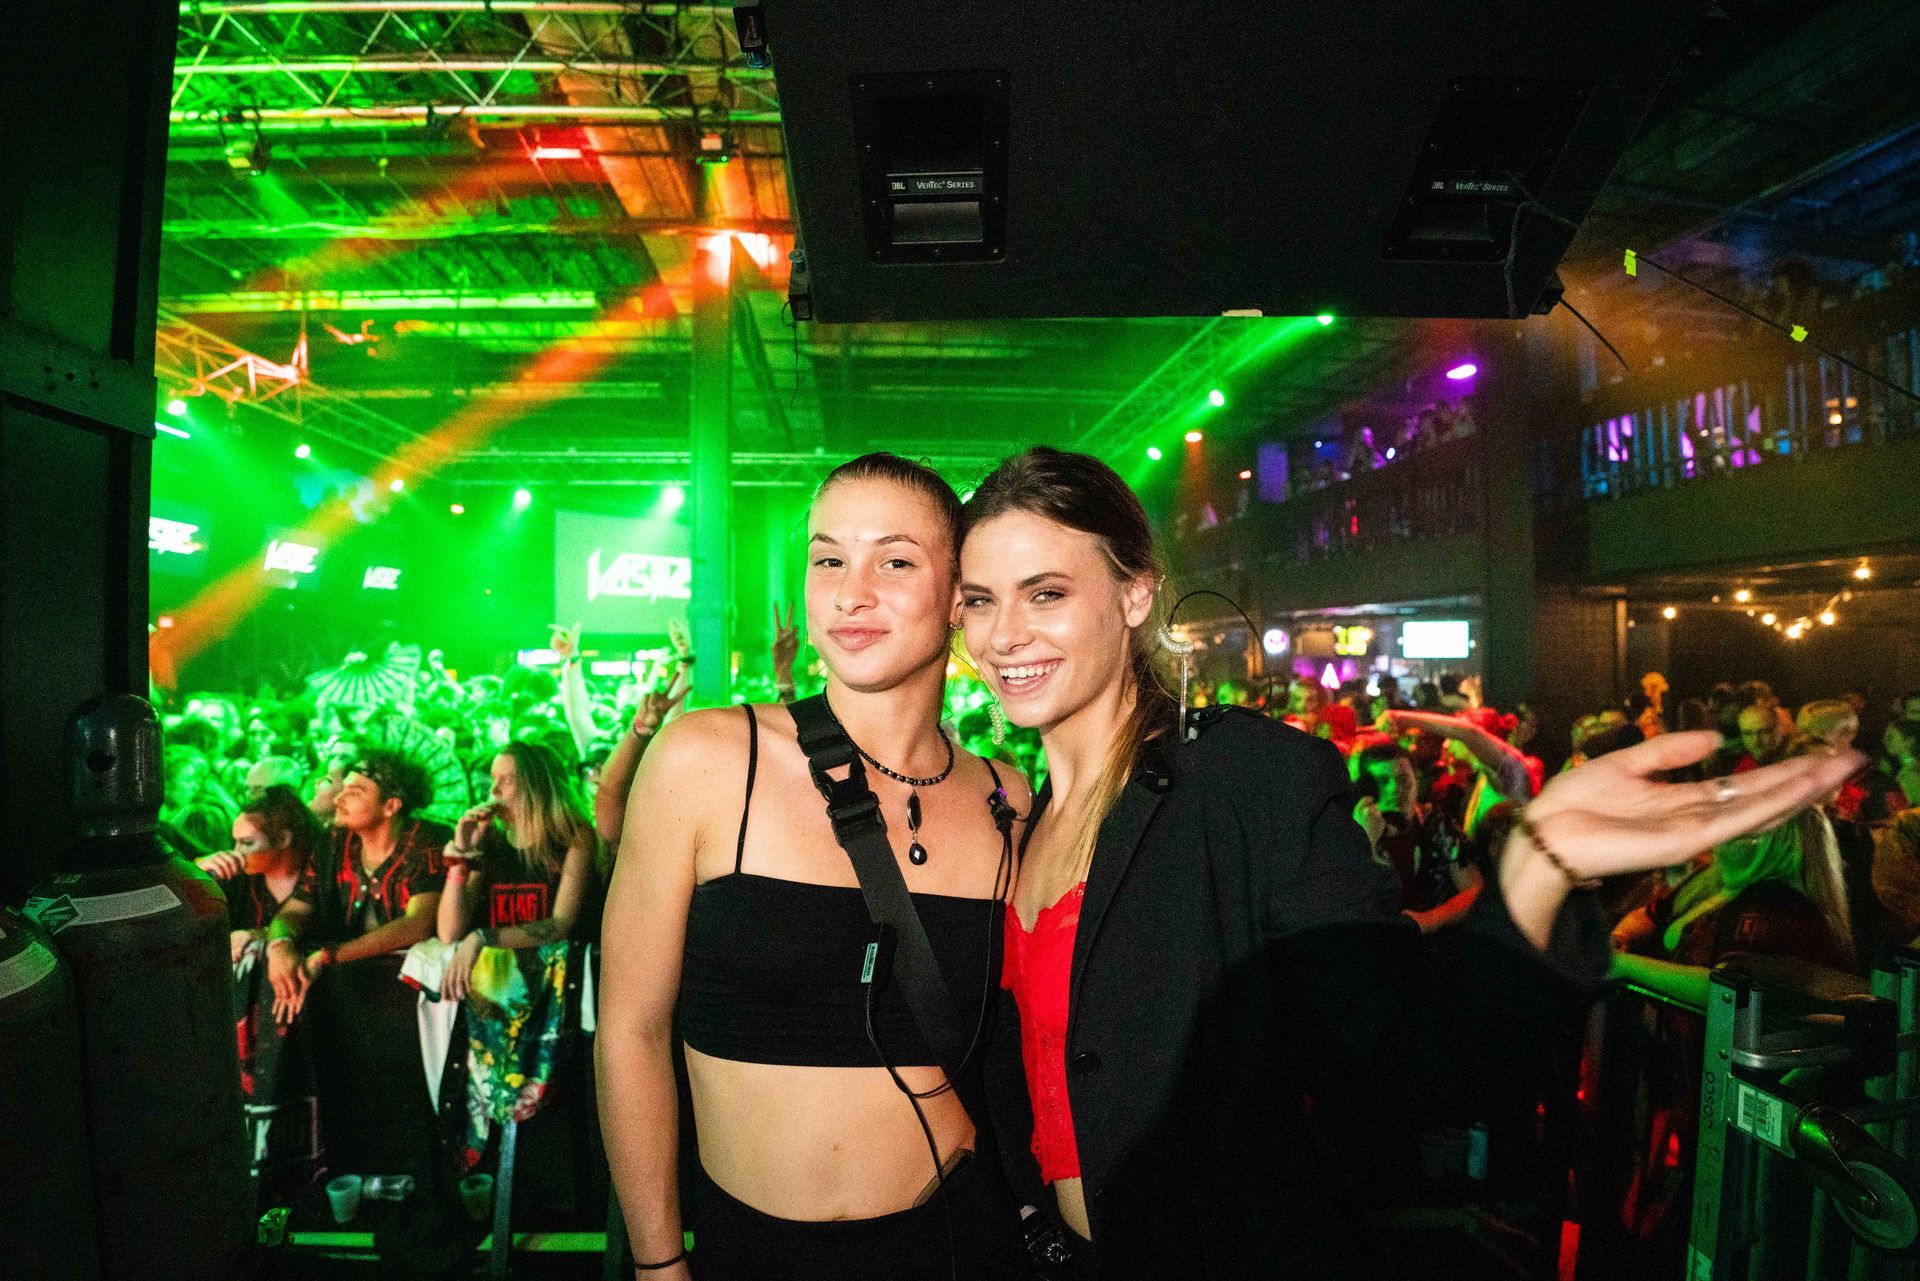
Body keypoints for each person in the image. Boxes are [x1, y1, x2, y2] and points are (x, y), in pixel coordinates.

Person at [953, 445, 1863, 1278]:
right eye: (981, 599)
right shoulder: (1017, 816)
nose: (1003, 636)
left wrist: (1538, 867)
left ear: (1135, 594)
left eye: (1045, 593)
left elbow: (1416, 1052)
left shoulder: (1241, 777)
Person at [596, 453, 1032, 1281]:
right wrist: (658, 1263)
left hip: (961, 1243)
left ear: (957, 595)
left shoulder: (1003, 796)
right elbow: (630, 1031)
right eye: (829, 558)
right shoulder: (706, 759)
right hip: (754, 1252)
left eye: (894, 561)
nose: (850, 592)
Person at [264, 748, 450, 1022]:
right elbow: (295, 910)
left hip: (411, 998)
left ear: (391, 806)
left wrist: (331, 955)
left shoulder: (427, 841)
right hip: (345, 992)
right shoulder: (334, 842)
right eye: (344, 789)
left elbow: (418, 924)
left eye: (355, 792)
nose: (338, 799)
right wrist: (280, 946)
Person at [437, 740, 600, 1002]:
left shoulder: (574, 837)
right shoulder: (491, 840)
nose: (494, 790)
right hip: (499, 992)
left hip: (558, 991)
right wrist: (461, 854)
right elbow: (448, 932)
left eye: (506, 780)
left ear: (538, 786)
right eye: (493, 779)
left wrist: (483, 938)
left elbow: (560, 924)